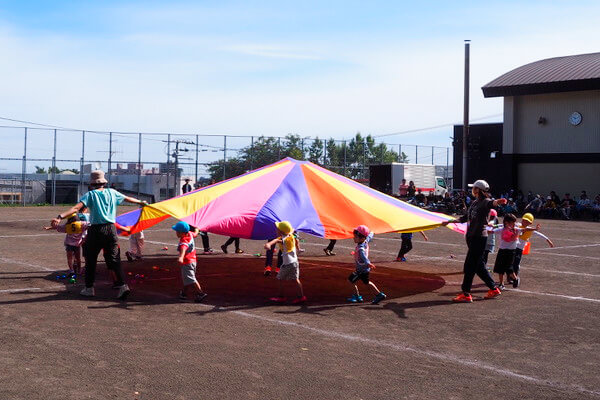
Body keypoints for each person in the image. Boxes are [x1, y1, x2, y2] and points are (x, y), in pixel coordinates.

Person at [50, 170, 147, 299]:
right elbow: (128, 199)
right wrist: (141, 202)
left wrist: (59, 217)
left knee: (90, 259)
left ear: (92, 184)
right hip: (111, 230)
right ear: (103, 182)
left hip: (95, 230)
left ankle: (89, 288)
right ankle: (123, 286)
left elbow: (75, 208)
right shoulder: (112, 192)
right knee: (114, 259)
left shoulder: (90, 195)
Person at [441, 179, 507, 303]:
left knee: (469, 266)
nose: (472, 189)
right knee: (479, 266)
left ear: (478, 189)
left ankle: (466, 293)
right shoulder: (474, 203)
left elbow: (491, 203)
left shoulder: (485, 201)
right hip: (472, 237)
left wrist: (499, 201)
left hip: (478, 238)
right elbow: (465, 218)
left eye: (474, 187)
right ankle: (493, 288)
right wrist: (450, 222)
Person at [489, 213, 538, 290]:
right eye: (513, 222)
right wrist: (486, 228)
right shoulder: (501, 229)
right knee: (499, 268)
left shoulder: (516, 229)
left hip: (511, 251)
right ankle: (501, 284)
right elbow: (492, 231)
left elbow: (525, 229)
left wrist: (535, 229)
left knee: (509, 268)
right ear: (507, 223)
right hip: (502, 250)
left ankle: (515, 279)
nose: (515, 224)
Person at [265, 221, 306, 304]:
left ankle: (281, 297)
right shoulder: (290, 236)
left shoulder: (285, 239)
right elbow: (291, 232)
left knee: (279, 278)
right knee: (295, 280)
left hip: (287, 264)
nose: (276, 230)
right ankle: (301, 297)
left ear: (281, 231)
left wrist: (269, 244)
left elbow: (276, 240)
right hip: (294, 262)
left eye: (278, 229)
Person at [347, 225, 386, 304]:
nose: (353, 238)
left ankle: (357, 296)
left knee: (350, 280)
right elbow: (369, 236)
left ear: (361, 238)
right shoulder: (365, 241)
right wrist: (372, 231)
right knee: (367, 282)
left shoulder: (361, 248)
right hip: (364, 269)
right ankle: (379, 294)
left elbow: (364, 257)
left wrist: (368, 263)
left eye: (355, 237)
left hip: (361, 270)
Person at [510, 213, 553, 285]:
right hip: (512, 247)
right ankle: (510, 277)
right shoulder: (517, 225)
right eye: (524, 220)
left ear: (530, 223)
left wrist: (548, 240)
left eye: (527, 221)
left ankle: (514, 277)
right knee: (510, 263)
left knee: (516, 264)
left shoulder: (531, 230)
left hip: (519, 249)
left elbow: (540, 235)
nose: (525, 222)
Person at [44, 212, 90, 277]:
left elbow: (57, 227)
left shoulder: (67, 226)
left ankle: (71, 270)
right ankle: (79, 270)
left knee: (69, 258)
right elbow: (90, 225)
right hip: (77, 244)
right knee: (78, 258)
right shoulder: (81, 224)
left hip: (69, 244)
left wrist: (51, 226)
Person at [172, 221, 207, 303]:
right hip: (193, 261)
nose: (176, 233)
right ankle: (184, 293)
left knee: (191, 278)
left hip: (187, 262)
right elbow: (195, 233)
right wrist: (197, 229)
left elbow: (183, 249)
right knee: (187, 278)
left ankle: (200, 293)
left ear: (182, 232)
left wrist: (180, 257)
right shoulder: (190, 233)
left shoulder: (184, 240)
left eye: (177, 231)